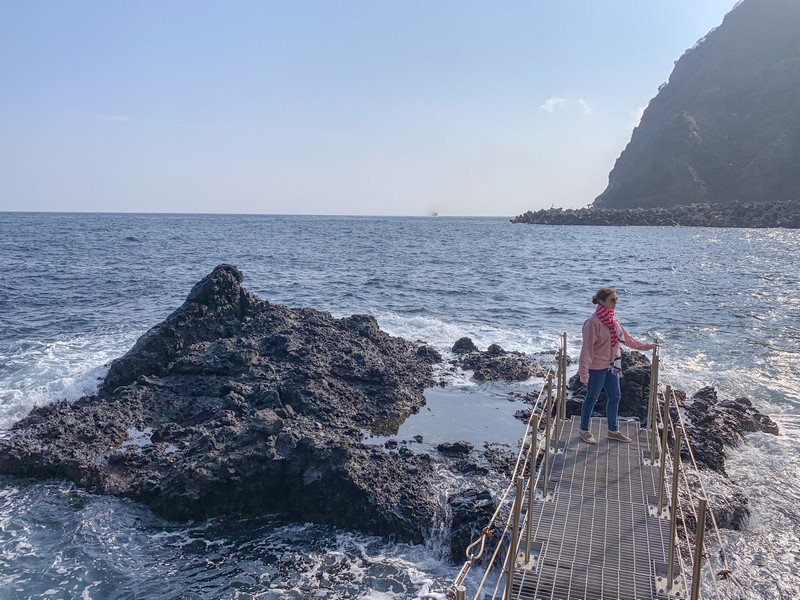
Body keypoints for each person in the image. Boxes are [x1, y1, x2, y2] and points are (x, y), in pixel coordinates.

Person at [577, 287, 656, 444]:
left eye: (616, 299)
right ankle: (583, 430)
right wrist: (583, 373)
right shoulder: (592, 323)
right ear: (601, 301)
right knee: (591, 398)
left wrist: (647, 346)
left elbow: (627, 339)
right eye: (612, 299)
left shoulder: (612, 321)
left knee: (615, 396)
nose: (616, 302)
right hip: (597, 368)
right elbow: (586, 349)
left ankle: (613, 430)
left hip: (612, 366)